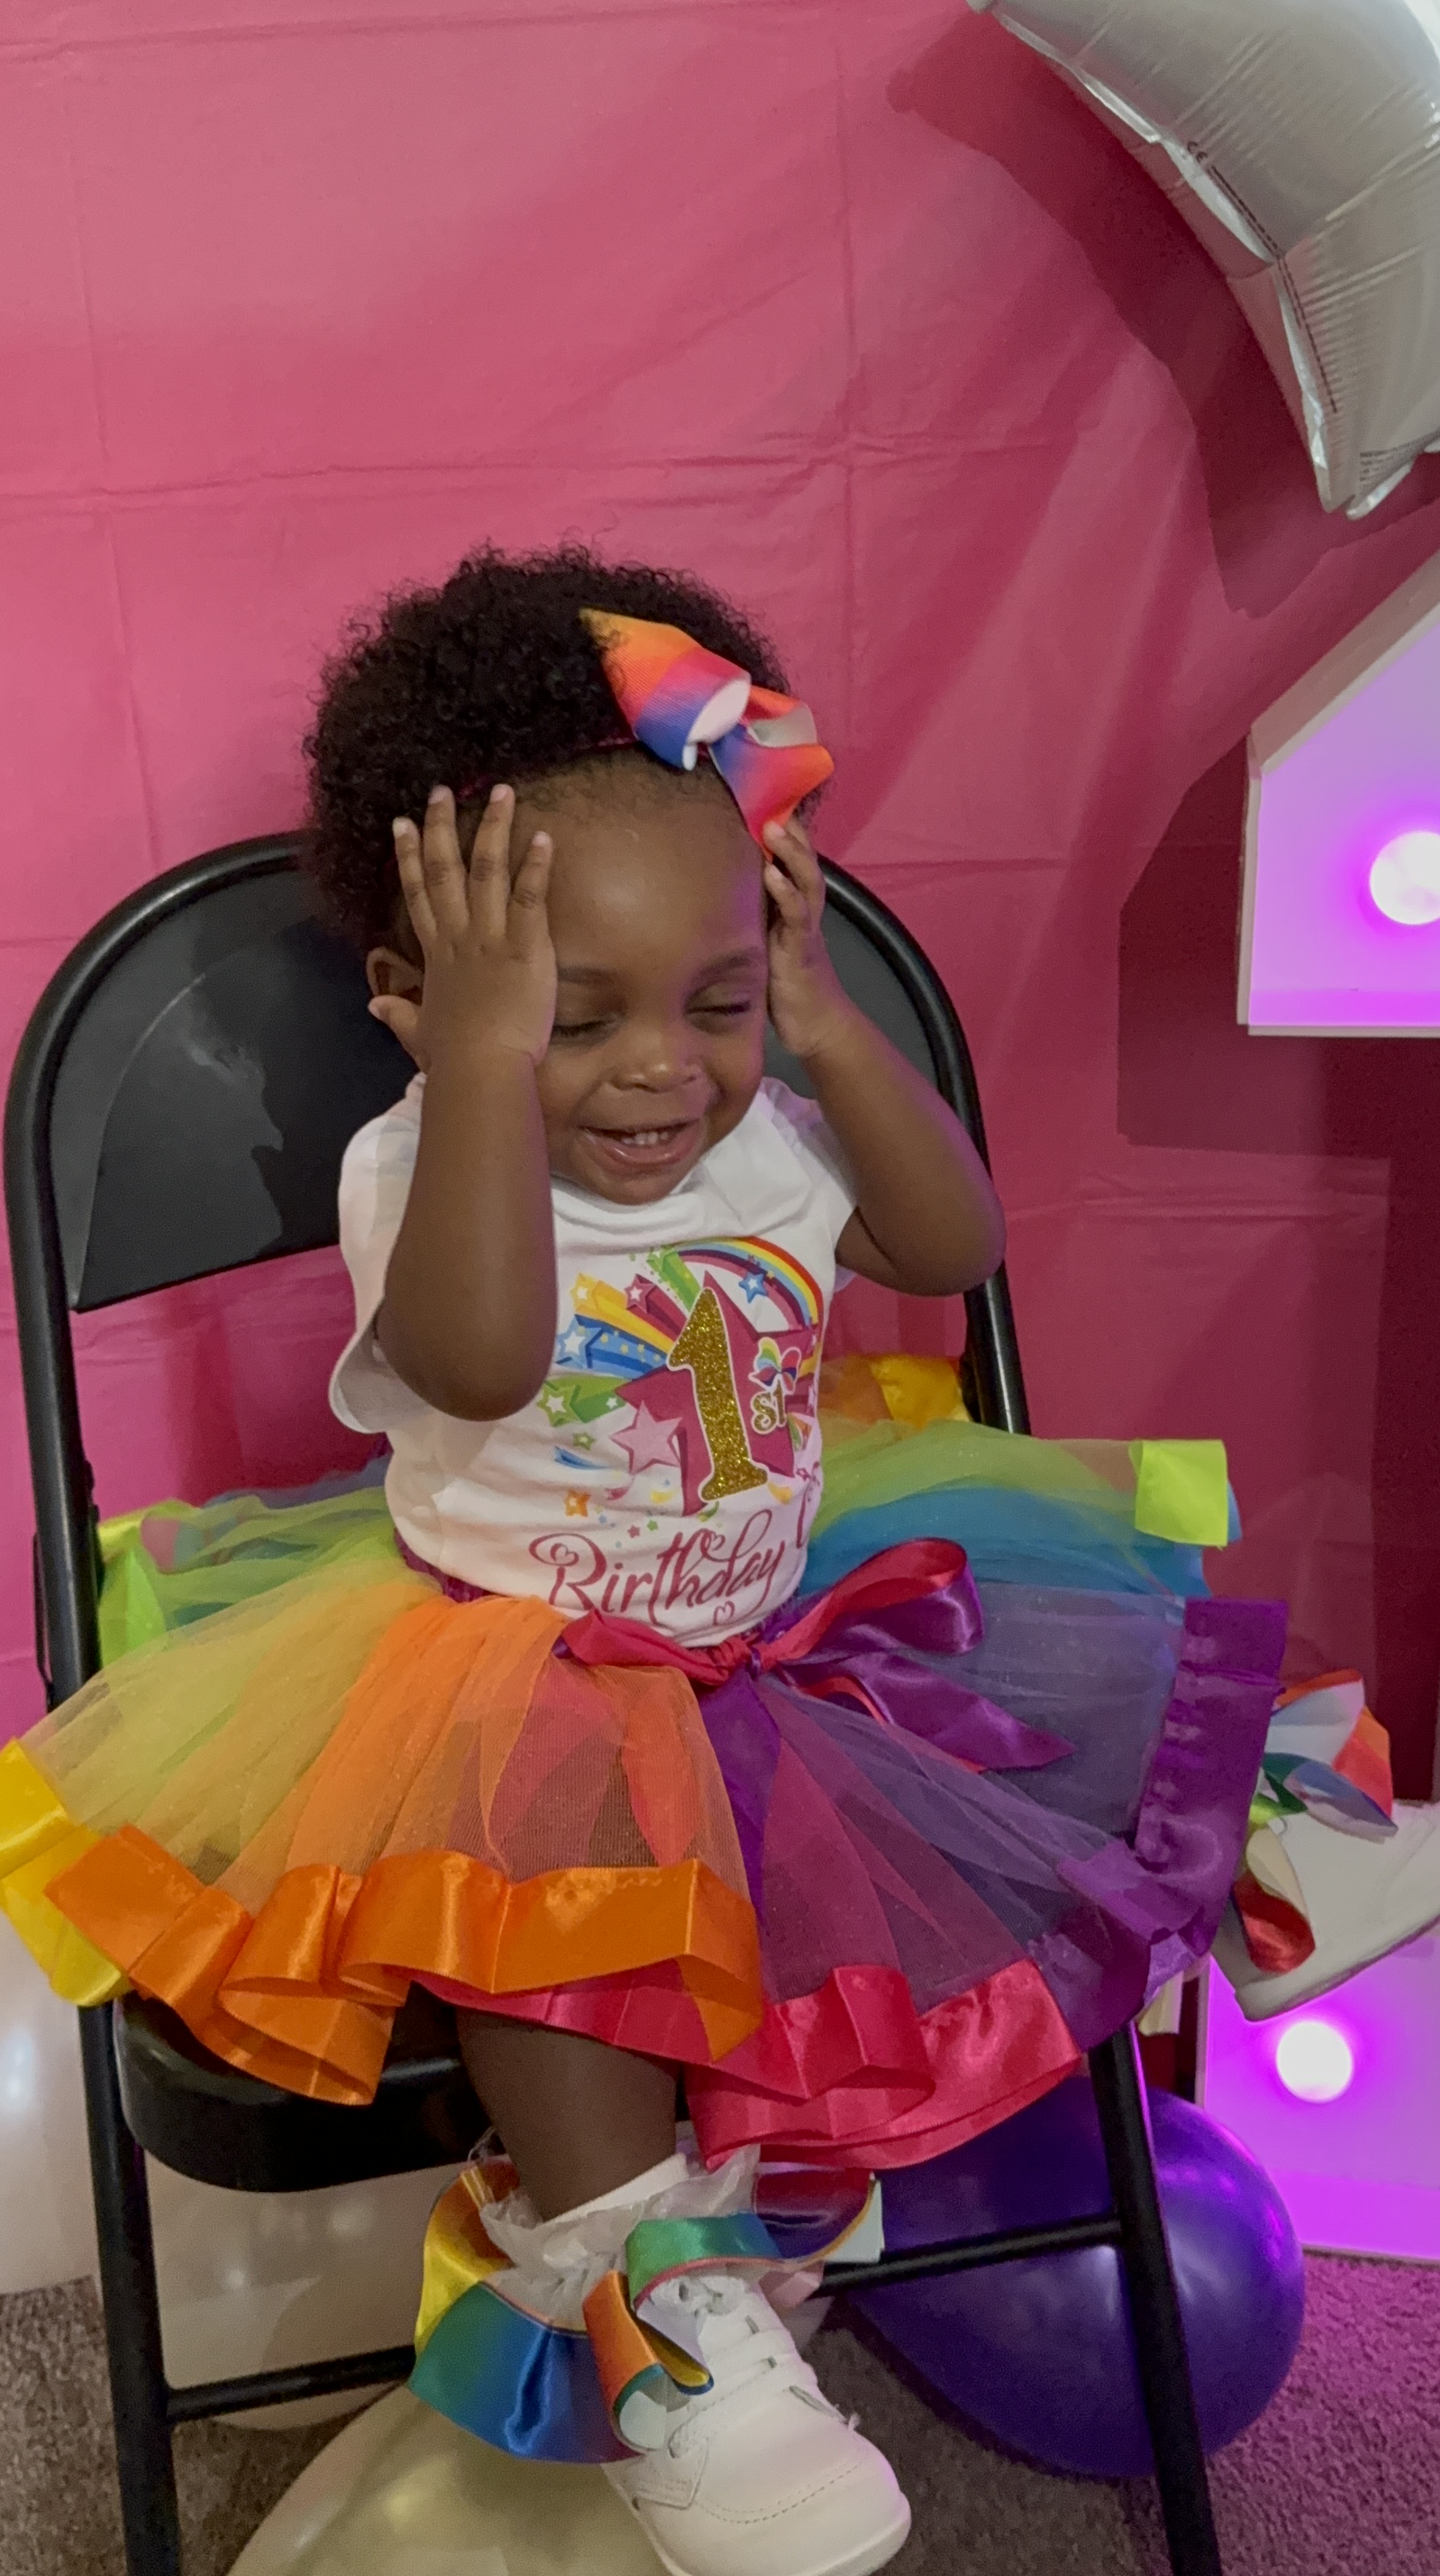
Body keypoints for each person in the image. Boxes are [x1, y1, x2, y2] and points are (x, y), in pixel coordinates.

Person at [0, 546, 1284, 2576]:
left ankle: (760, 2245)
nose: (659, 1070)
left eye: (714, 999)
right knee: (546, 1883)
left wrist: (834, 1030)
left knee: (876, 1878)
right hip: (519, 1663)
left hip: (778, 1650)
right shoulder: (424, 1155)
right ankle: (651, 2307)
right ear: (416, 1004)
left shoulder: (769, 1117)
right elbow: (483, 1355)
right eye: (572, 1016)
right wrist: (489, 1078)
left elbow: (950, 1253)